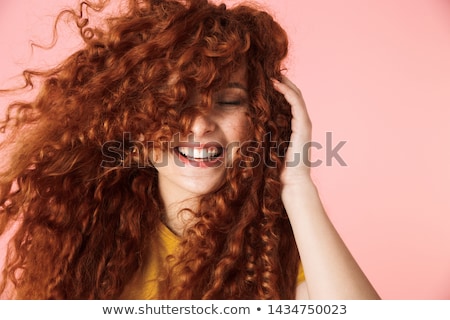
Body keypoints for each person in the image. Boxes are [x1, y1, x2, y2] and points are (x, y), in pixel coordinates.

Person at [0, 0, 380, 299]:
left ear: (260, 119)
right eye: (176, 103)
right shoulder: (79, 235)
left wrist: (297, 183)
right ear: (132, 120)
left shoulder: (285, 247)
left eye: (228, 102)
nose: (199, 125)